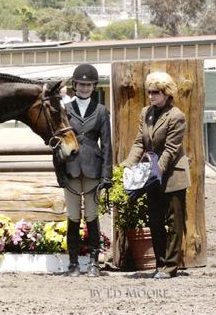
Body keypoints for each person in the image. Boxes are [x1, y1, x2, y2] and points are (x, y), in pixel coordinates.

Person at [121, 71, 190, 279]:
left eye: (156, 92)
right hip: (153, 175)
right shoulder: (146, 113)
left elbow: (171, 150)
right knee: (155, 221)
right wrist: (127, 165)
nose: (151, 96)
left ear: (167, 93)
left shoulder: (176, 116)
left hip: (172, 176)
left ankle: (171, 267)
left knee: (174, 223)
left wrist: (154, 172)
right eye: (149, 91)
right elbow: (140, 142)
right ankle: (159, 264)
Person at [56, 63, 113, 277]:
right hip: (70, 168)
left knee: (91, 215)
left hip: (92, 168)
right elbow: (57, 142)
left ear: (94, 87)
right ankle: (73, 262)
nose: (85, 88)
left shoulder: (101, 111)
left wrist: (107, 175)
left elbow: (107, 145)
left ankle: (93, 262)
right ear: (75, 85)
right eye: (81, 84)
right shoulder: (65, 110)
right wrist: (59, 172)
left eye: (89, 85)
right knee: (72, 215)